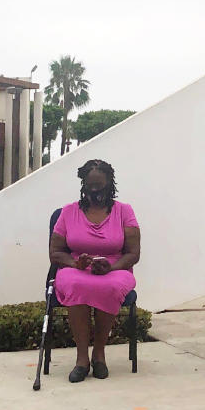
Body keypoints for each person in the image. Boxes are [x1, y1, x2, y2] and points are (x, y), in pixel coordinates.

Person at [49, 159, 140, 383]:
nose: (96, 191)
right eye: (91, 186)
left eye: (100, 185)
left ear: (110, 184)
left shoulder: (124, 212)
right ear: (83, 185)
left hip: (115, 268)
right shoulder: (68, 212)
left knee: (109, 285)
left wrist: (113, 266)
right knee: (74, 284)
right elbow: (55, 253)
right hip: (76, 268)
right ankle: (82, 359)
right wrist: (75, 263)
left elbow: (133, 253)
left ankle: (99, 354)